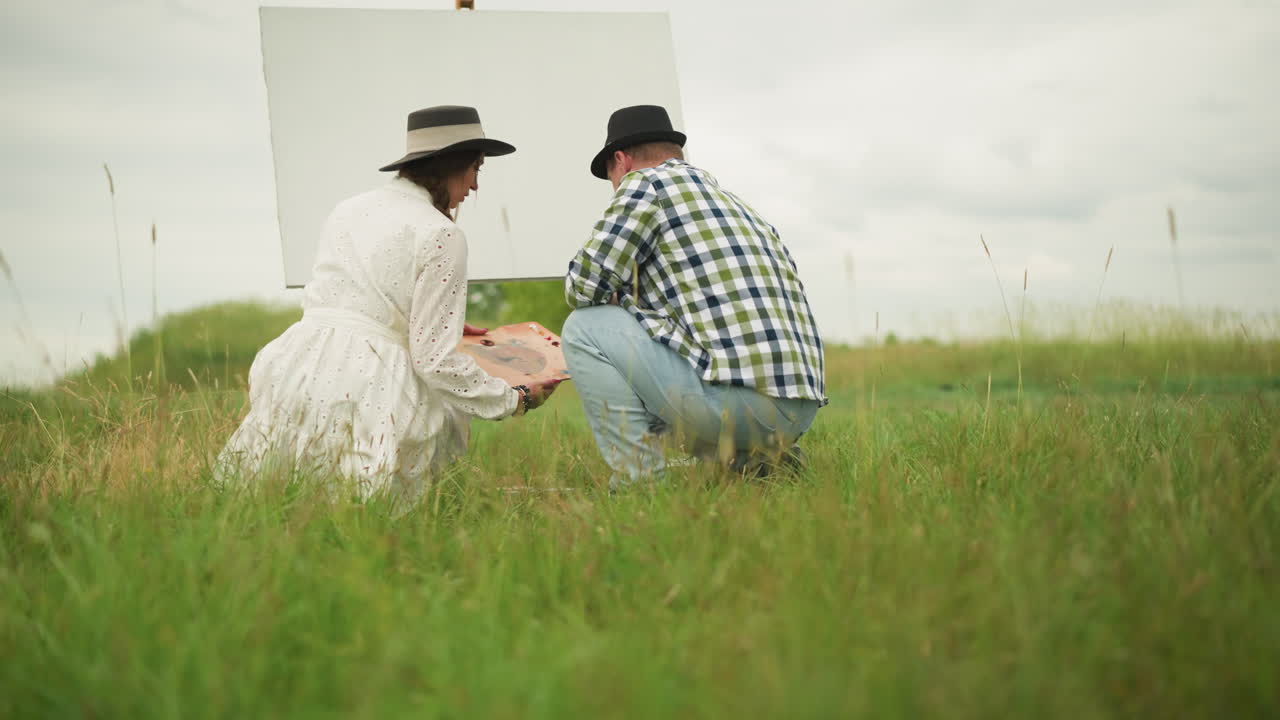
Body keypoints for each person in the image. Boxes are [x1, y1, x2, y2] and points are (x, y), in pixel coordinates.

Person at [218, 105, 558, 502]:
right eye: (476, 169)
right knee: (363, 513)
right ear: (452, 165)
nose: (475, 187)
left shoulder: (347, 209)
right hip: (373, 385)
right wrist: (513, 399)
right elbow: (435, 360)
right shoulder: (442, 234)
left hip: (301, 367)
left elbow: (359, 297)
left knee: (279, 503)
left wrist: (431, 321)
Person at [562, 105, 826, 487]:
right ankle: (761, 464)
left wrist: (621, 299)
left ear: (620, 160)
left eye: (610, 177)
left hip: (739, 407)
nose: (614, 187)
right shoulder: (740, 206)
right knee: (666, 341)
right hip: (799, 412)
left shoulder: (645, 184)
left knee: (584, 328)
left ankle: (640, 485)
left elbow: (582, 285)